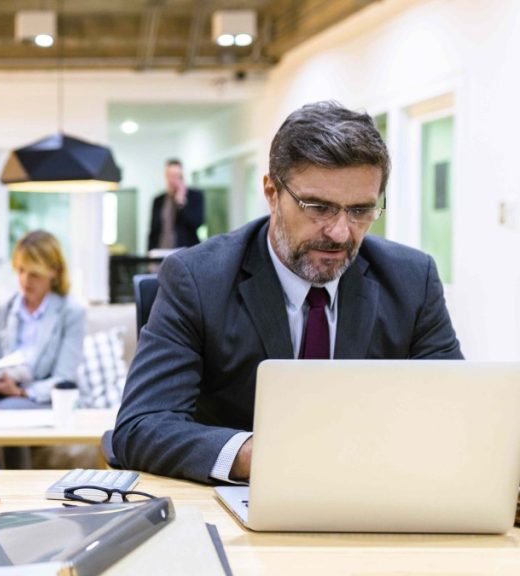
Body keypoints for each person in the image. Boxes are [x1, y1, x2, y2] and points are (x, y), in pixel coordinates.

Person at [113, 101, 463, 484]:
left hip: (373, 494)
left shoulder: (412, 281)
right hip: (240, 508)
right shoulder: (198, 279)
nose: (341, 233)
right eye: (318, 207)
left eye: (361, 210)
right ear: (271, 191)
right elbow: (141, 427)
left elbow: (455, 417)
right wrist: (262, 456)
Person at [0, 230, 86, 409]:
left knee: (8, 408)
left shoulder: (71, 312)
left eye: (34, 274)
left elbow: (64, 379)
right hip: (4, 386)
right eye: (21, 270)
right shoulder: (4, 307)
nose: (25, 280)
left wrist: (21, 392)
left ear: (53, 271)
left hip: (44, 396)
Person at [147, 159, 205, 250]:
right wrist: (149, 254)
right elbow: (153, 231)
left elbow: (197, 223)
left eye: (175, 176)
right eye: (169, 175)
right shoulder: (158, 200)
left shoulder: (195, 196)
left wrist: (181, 203)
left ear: (182, 177)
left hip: (185, 252)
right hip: (161, 252)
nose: (172, 180)